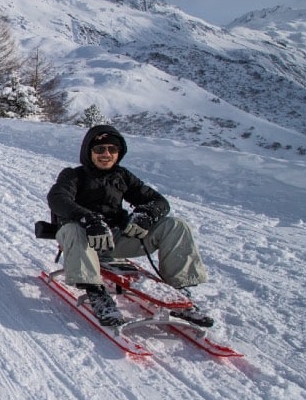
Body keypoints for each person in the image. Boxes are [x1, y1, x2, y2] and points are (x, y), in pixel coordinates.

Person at [46, 125, 212, 328]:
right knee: (73, 229)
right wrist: (88, 219)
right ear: (88, 152)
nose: (106, 154)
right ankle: (96, 292)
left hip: (114, 240)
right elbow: (57, 199)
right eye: (99, 149)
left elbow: (159, 202)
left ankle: (179, 294)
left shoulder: (122, 176)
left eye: (112, 149)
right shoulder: (73, 175)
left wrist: (146, 215)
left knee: (176, 225)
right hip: (81, 239)